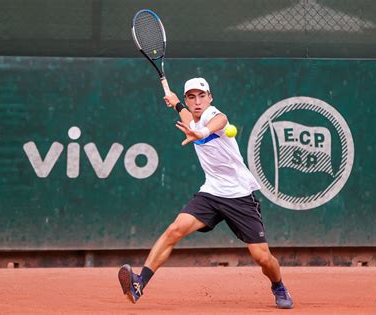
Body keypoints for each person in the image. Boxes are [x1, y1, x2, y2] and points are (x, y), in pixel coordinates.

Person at [118, 77, 294, 309]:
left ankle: (278, 286)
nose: (197, 101)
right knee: (174, 230)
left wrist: (203, 133)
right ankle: (139, 283)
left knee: (262, 257)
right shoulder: (192, 119)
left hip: (239, 196)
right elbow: (189, 118)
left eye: (202, 96)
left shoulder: (214, 116)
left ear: (210, 98)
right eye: (191, 97)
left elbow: (220, 121)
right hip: (211, 193)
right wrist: (176, 104)